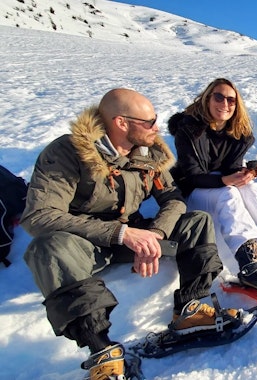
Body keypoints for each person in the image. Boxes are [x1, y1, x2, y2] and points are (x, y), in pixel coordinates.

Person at [21, 89, 242, 380]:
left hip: (134, 233)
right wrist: (121, 234)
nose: (156, 128)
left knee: (196, 221)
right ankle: (101, 350)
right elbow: (39, 217)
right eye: (149, 122)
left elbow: (173, 199)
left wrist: (154, 233)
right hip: (83, 244)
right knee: (48, 248)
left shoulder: (148, 153)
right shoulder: (68, 151)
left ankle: (192, 309)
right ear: (121, 123)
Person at [167, 78, 257, 294]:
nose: (225, 104)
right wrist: (224, 181)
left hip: (217, 185)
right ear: (207, 98)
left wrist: (247, 173)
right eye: (218, 97)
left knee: (250, 188)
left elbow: (230, 168)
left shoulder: (237, 133)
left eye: (231, 100)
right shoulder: (189, 130)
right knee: (228, 193)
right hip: (193, 193)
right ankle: (250, 267)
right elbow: (191, 176)